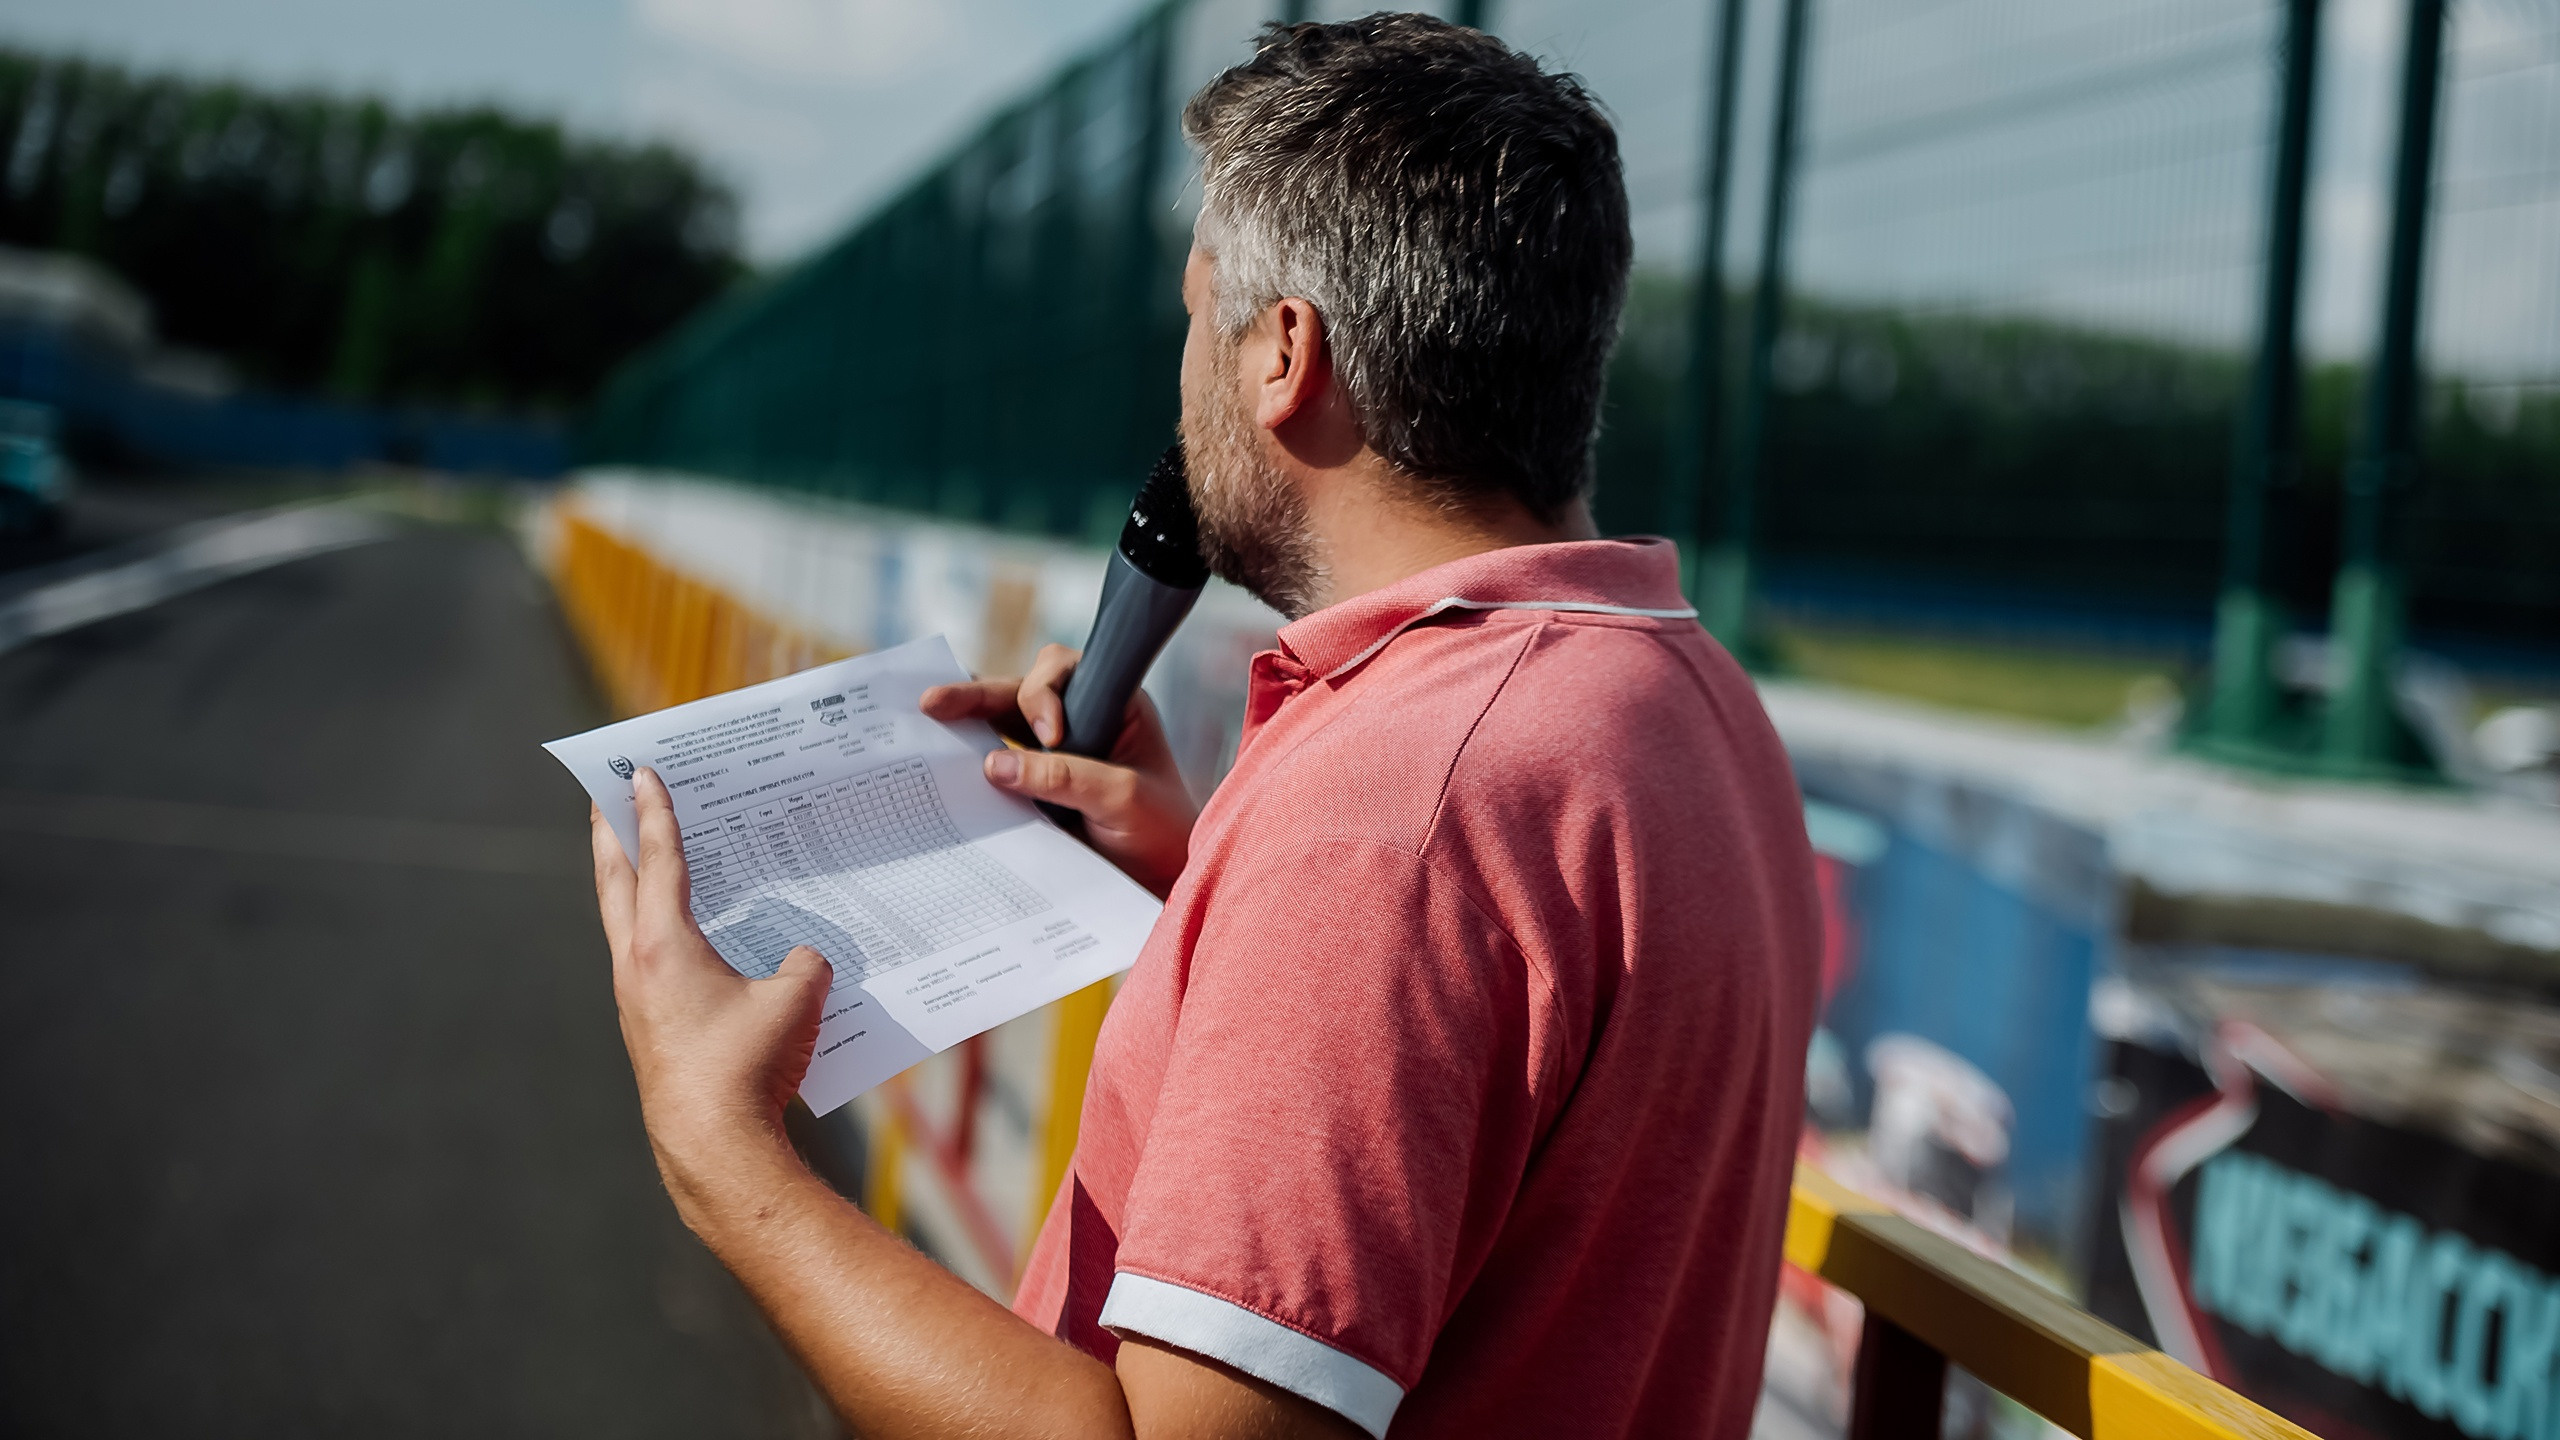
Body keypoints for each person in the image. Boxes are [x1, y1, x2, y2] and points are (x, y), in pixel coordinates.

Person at [588, 15, 1819, 1439]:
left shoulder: (1393, 820)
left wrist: (720, 1156)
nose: (1185, 375)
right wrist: (1209, 882)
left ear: (1283, 351)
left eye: (1199, 314)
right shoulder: (1691, 704)